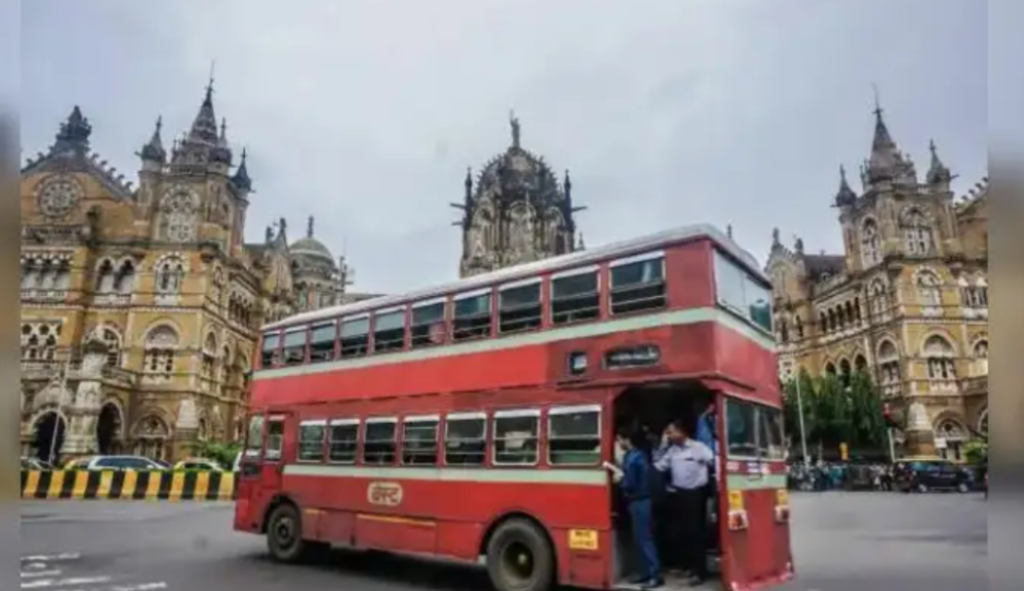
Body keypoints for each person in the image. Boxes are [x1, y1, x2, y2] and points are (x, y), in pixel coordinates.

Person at [653, 420, 714, 586]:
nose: (669, 435)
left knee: (696, 533)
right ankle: (688, 567)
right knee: (682, 533)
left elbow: (713, 461)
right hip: (678, 494)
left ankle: (700, 572)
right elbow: (658, 466)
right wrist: (663, 445)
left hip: (695, 495)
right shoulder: (671, 450)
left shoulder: (698, 447)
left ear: (682, 432)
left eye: (671, 432)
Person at [606, 428, 663, 589]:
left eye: (619, 440)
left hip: (639, 501)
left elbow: (629, 483)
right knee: (639, 539)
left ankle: (654, 575)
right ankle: (645, 574)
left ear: (626, 440)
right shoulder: (637, 455)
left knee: (644, 539)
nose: (618, 443)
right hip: (639, 501)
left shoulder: (633, 458)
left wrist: (619, 479)